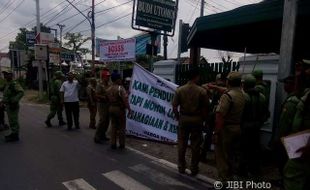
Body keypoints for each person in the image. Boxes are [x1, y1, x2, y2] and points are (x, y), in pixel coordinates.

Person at [172, 67, 209, 176]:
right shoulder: (202, 91)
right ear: (196, 77)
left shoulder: (180, 90)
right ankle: (194, 168)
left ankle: (181, 167)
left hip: (184, 119)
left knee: (182, 144)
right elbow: (206, 108)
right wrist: (204, 120)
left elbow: (174, 106)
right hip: (197, 120)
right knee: (196, 145)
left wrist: (178, 117)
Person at [283, 60, 310, 190]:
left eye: (305, 69)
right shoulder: (305, 93)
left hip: (305, 147)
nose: (299, 73)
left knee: (293, 177)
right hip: (299, 143)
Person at [214, 71, 245, 181]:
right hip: (237, 128)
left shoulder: (226, 97)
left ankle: (223, 182)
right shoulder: (243, 94)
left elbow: (220, 116)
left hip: (226, 129)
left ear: (228, 82)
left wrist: (216, 132)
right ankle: (231, 177)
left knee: (222, 156)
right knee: (231, 155)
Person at [239, 74, 268, 178]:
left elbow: (240, 113)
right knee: (255, 149)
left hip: (245, 126)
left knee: (243, 149)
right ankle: (255, 171)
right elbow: (266, 113)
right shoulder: (262, 97)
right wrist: (260, 122)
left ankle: (242, 172)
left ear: (244, 84)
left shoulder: (243, 97)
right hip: (257, 126)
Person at [200, 73, 226, 162]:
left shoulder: (223, 90)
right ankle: (207, 155)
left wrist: (213, 85)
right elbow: (203, 86)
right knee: (211, 136)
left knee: (212, 136)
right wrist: (213, 85)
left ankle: (207, 155)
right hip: (215, 115)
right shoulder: (216, 90)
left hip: (217, 115)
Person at [106, 72, 131, 149]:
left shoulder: (109, 89)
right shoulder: (120, 88)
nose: (121, 80)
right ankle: (121, 144)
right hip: (119, 109)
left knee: (113, 126)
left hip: (111, 108)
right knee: (121, 127)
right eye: (119, 78)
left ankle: (113, 143)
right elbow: (125, 100)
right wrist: (129, 109)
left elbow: (107, 99)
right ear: (117, 80)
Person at [1, 70, 24, 142]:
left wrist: (14, 100)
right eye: (4, 74)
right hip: (8, 105)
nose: (5, 76)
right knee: (11, 120)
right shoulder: (8, 84)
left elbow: (21, 92)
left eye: (6, 74)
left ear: (11, 75)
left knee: (13, 120)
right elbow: (4, 92)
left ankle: (15, 135)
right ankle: (13, 133)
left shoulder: (14, 83)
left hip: (12, 105)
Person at [94, 69, 111, 143]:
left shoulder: (109, 84)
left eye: (108, 76)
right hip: (102, 104)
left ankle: (103, 135)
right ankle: (97, 136)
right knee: (102, 120)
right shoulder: (99, 85)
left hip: (108, 104)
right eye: (107, 76)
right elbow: (97, 94)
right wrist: (104, 97)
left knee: (107, 120)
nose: (108, 77)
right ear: (103, 77)